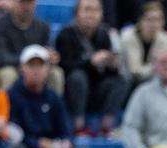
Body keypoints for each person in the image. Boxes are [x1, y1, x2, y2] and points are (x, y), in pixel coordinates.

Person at [6, 44, 95, 148]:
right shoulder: (12, 96)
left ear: (47, 70)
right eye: (31, 65)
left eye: (40, 66)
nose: (36, 71)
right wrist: (37, 143)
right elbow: (12, 131)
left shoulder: (52, 97)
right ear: (22, 68)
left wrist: (67, 142)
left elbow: (65, 126)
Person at [55, 0, 129, 138]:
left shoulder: (104, 34)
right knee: (78, 77)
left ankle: (107, 126)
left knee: (121, 80)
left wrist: (111, 64)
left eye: (96, 10)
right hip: (73, 92)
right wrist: (90, 61)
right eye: (87, 10)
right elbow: (64, 66)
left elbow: (107, 73)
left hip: (96, 90)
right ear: (76, 13)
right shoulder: (66, 34)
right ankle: (78, 126)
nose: (91, 14)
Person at [0, 0, 64, 92]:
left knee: (56, 73)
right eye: (22, 2)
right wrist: (27, 61)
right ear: (13, 2)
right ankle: (4, 106)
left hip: (36, 66)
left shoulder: (43, 26)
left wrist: (51, 57)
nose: (26, 6)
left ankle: (52, 106)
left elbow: (46, 50)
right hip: (9, 67)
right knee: (8, 74)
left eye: (30, 2)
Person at [121, 1, 167, 89]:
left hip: (154, 83)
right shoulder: (128, 37)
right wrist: (155, 67)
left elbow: (163, 70)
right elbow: (135, 72)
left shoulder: (166, 40)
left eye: (158, 20)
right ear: (140, 21)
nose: (154, 24)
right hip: (127, 82)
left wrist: (157, 68)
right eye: (149, 19)